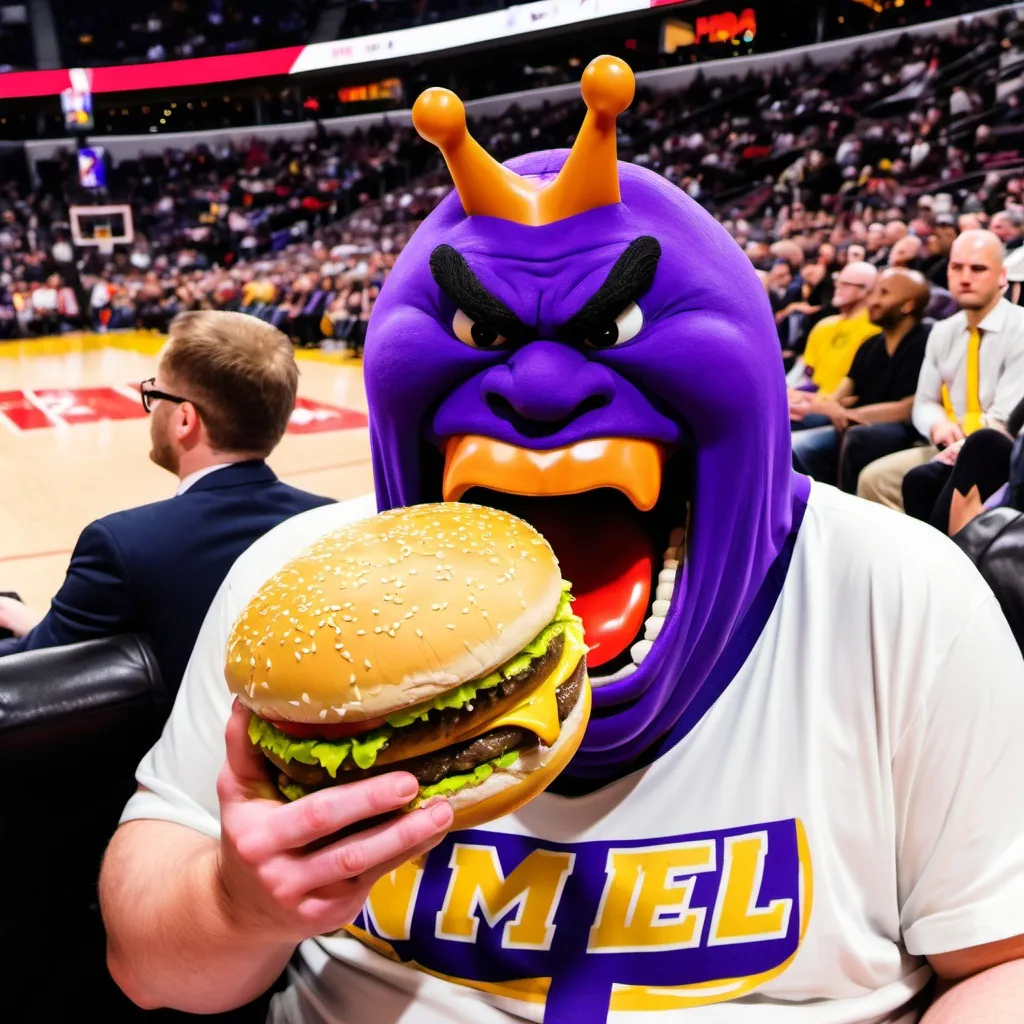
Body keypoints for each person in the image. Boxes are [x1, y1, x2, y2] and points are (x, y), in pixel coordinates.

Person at [101, 60, 1024, 1024]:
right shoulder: (295, 588)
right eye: (477, 330)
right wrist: (233, 904)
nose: (539, 388)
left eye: (613, 322)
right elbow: (150, 968)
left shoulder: (902, 592)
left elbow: (1000, 961)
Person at [0, 309, 335, 694]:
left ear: (185, 420)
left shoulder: (123, 545)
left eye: (153, 394)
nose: (151, 407)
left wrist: (35, 631)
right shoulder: (329, 522)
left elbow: (37, 672)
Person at [858, 230, 1024, 515]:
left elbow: (1005, 420)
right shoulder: (943, 331)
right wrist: (938, 427)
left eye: (978, 268)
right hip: (948, 443)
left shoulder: (1020, 327)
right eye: (956, 267)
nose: (965, 277)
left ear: (1002, 276)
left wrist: (964, 445)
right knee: (874, 479)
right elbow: (925, 401)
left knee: (927, 481)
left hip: (999, 450)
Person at [790, 267, 930, 487]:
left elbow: (906, 408)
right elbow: (839, 395)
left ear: (908, 305)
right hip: (852, 422)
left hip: (896, 430)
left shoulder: (925, 342)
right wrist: (830, 407)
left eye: (883, 293)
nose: (872, 301)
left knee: (811, 446)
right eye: (874, 292)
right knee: (790, 429)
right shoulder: (871, 344)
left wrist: (846, 412)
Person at [786, 261, 879, 407]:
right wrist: (789, 391)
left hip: (838, 406)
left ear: (867, 290)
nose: (838, 288)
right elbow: (806, 372)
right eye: (838, 281)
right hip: (809, 396)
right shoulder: (824, 325)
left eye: (846, 284)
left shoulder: (875, 331)